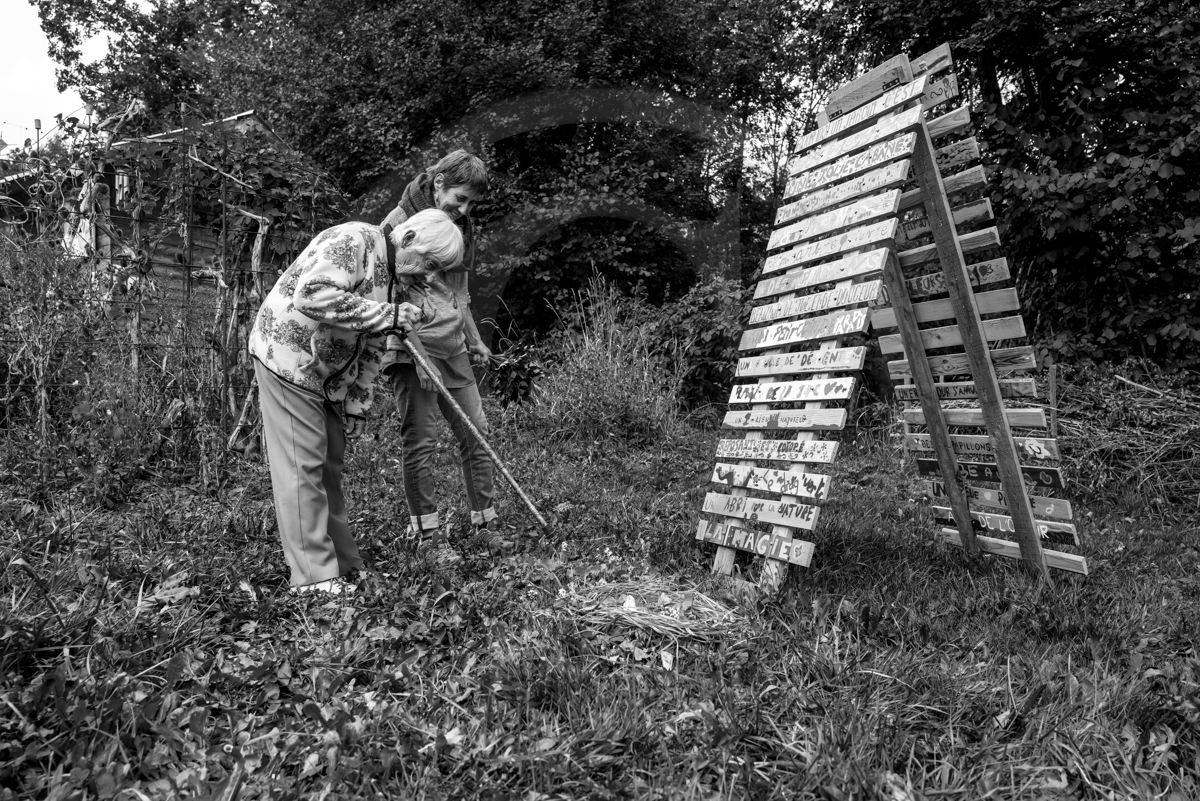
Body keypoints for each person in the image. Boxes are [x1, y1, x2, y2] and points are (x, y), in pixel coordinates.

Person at [249, 209, 463, 594]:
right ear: (409, 238)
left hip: (324, 375)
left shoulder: (395, 277)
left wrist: (356, 402)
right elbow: (310, 295)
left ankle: (345, 564)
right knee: (303, 464)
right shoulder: (355, 241)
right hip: (288, 354)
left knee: (329, 463)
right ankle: (314, 578)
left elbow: (373, 342)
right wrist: (387, 313)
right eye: (430, 264)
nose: (430, 276)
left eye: (438, 270)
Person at [380, 150, 507, 557]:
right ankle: (429, 538)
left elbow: (458, 294)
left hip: (451, 347)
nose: (464, 209)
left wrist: (474, 339)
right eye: (460, 198)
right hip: (411, 347)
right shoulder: (397, 226)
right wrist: (406, 339)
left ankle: (485, 524)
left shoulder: (461, 226)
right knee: (422, 440)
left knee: (477, 431)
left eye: (472, 203)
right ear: (438, 184)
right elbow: (384, 294)